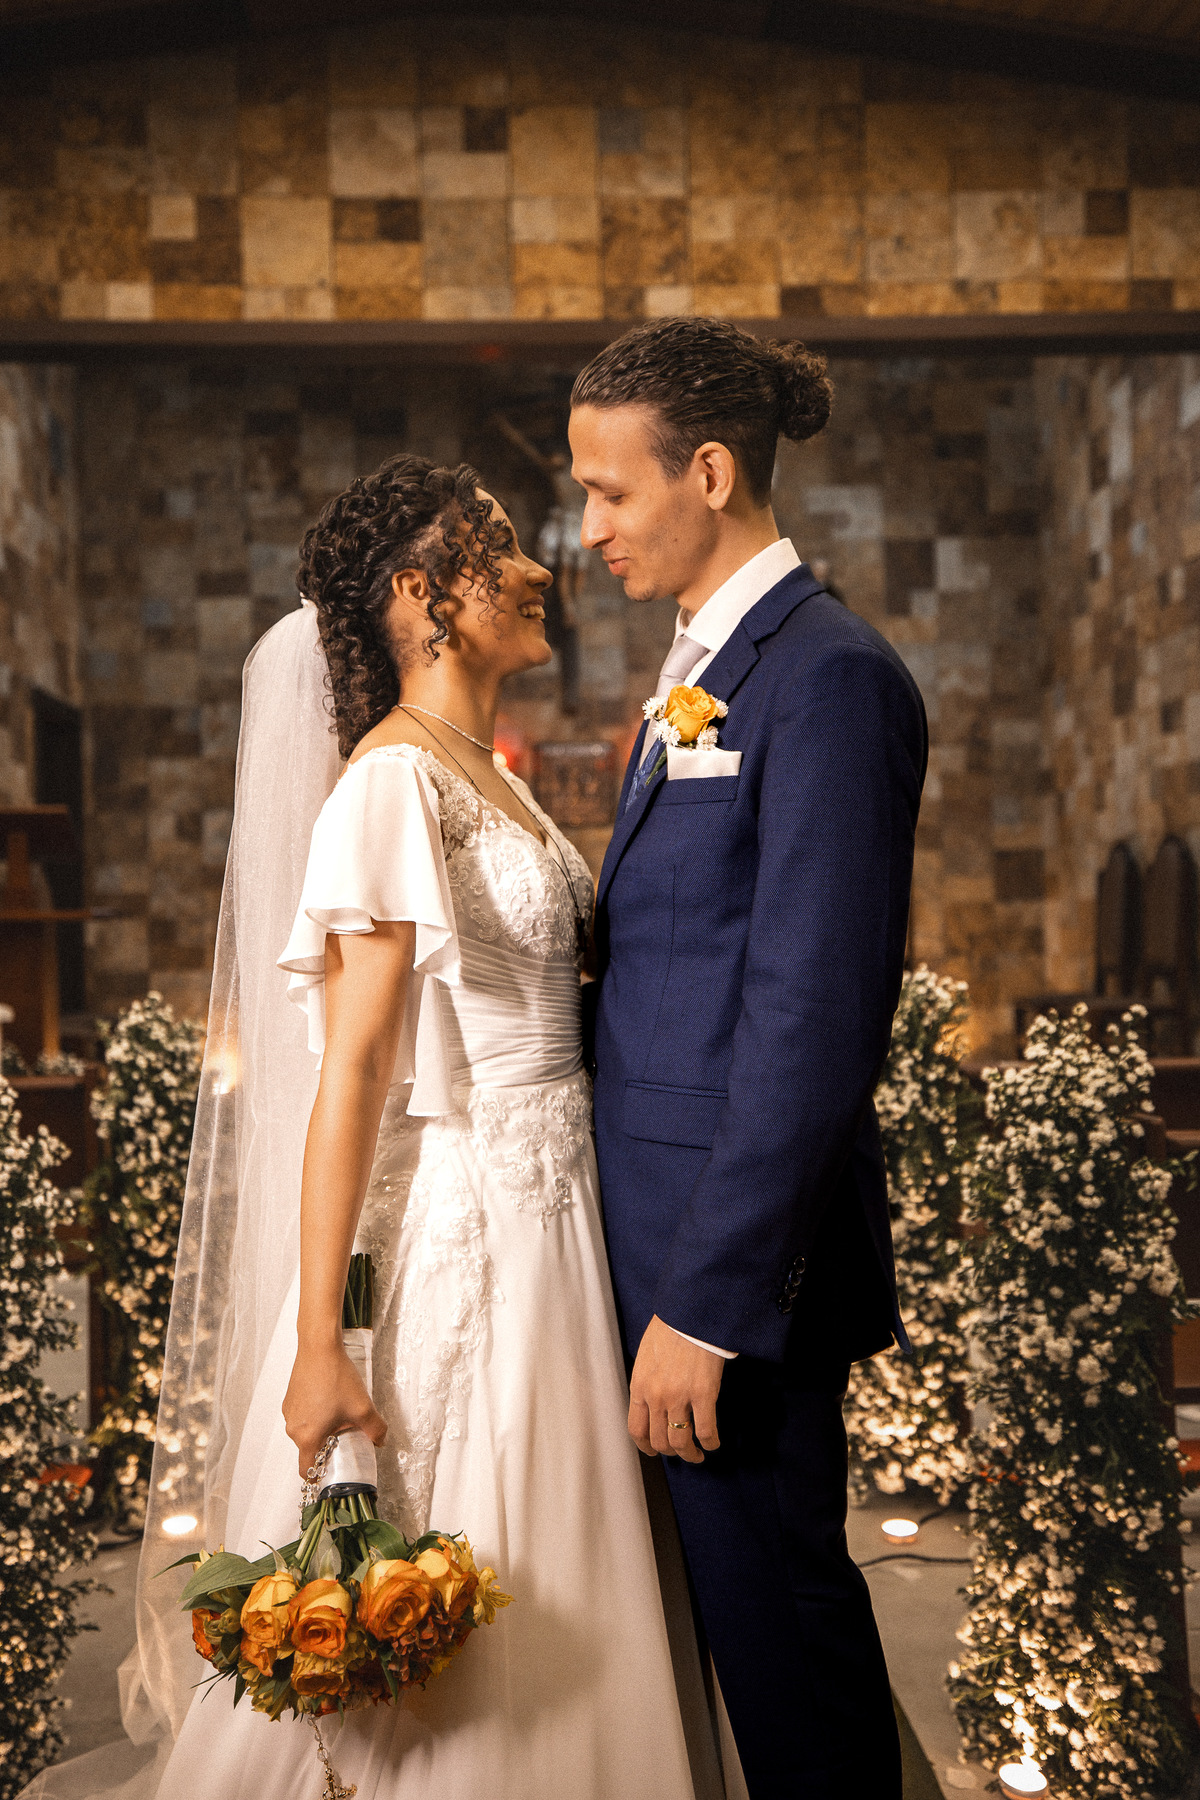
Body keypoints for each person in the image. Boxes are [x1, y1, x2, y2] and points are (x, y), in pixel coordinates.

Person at [24, 457, 707, 1800]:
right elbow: (350, 1079)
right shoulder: (392, 785)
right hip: (483, 1221)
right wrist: (320, 1346)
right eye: (500, 547)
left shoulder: (490, 775)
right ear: (419, 593)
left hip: (563, 1207)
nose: (541, 568)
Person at [570, 316, 928, 1799]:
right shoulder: (707, 669)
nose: (588, 529)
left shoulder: (829, 676)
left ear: (707, 473)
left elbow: (812, 1017)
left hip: (729, 1287)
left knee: (788, 1659)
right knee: (732, 1647)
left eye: (611, 492)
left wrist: (710, 1310)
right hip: (658, 1247)